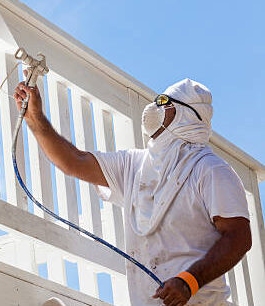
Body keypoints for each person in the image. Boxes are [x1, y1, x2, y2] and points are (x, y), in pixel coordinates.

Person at [14, 78, 252, 306]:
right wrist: (35, 119)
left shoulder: (210, 170)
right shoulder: (134, 165)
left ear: (184, 114)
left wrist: (189, 281)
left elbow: (239, 237)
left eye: (163, 104)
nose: (154, 108)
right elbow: (73, 161)